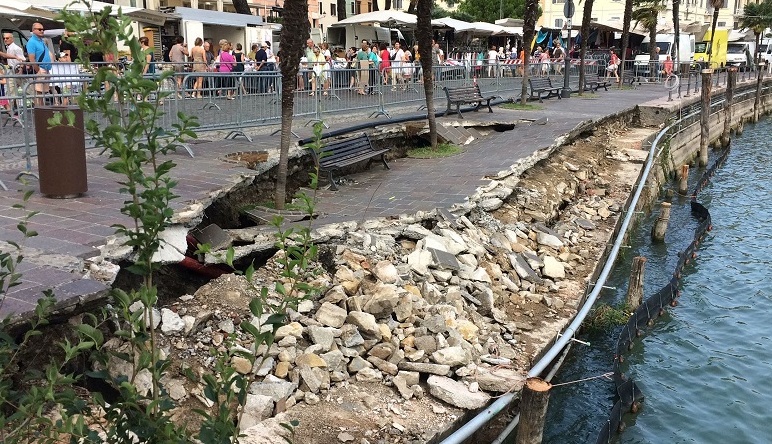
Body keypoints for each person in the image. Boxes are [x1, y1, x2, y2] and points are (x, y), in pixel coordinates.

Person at [26, 23, 53, 106]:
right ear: (33, 30)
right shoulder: (32, 42)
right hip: (41, 69)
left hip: (46, 68)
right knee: (39, 93)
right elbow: (32, 58)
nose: (42, 31)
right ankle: (39, 109)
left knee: (42, 93)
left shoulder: (41, 41)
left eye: (43, 29)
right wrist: (38, 70)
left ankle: (41, 109)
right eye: (39, 29)